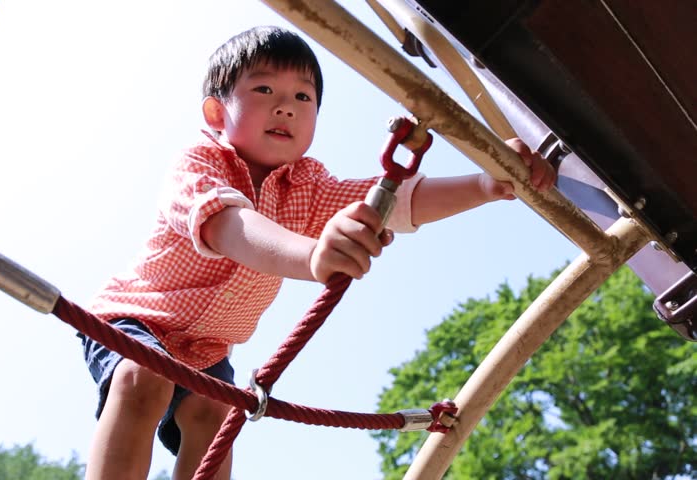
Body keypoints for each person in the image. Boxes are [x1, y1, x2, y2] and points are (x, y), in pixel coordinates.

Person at [78, 26, 555, 480]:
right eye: (264, 90)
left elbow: (392, 201)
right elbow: (227, 226)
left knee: (215, 417)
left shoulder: (308, 185)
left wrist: (483, 185)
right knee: (143, 379)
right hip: (139, 318)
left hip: (209, 347)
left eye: (302, 97)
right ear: (217, 114)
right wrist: (312, 256)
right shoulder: (201, 161)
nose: (285, 107)